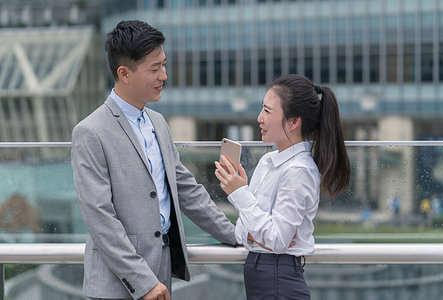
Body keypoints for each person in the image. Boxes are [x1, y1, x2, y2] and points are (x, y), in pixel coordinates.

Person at [71, 20, 236, 300]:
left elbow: (186, 189)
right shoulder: (90, 132)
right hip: (115, 286)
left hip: (160, 278)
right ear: (124, 73)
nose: (165, 75)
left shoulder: (158, 123)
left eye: (164, 64)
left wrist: (236, 235)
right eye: (155, 68)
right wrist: (142, 280)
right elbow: (99, 217)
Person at [215, 74, 351, 299]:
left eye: (267, 111)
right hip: (266, 276)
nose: (259, 118)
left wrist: (240, 193)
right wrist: (261, 234)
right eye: (262, 109)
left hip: (278, 280)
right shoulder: (268, 161)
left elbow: (277, 240)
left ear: (293, 122)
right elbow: (242, 231)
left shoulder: (299, 170)